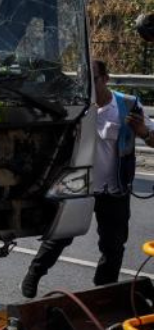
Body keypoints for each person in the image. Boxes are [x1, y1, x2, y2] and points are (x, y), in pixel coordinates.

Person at [22, 59, 148, 297]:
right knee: (59, 236)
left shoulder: (129, 105)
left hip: (114, 188)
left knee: (113, 245)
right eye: (85, 80)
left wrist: (142, 132)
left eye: (95, 80)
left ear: (106, 79)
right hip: (78, 184)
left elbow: (152, 138)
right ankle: (35, 273)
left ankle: (103, 292)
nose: (90, 85)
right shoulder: (74, 103)